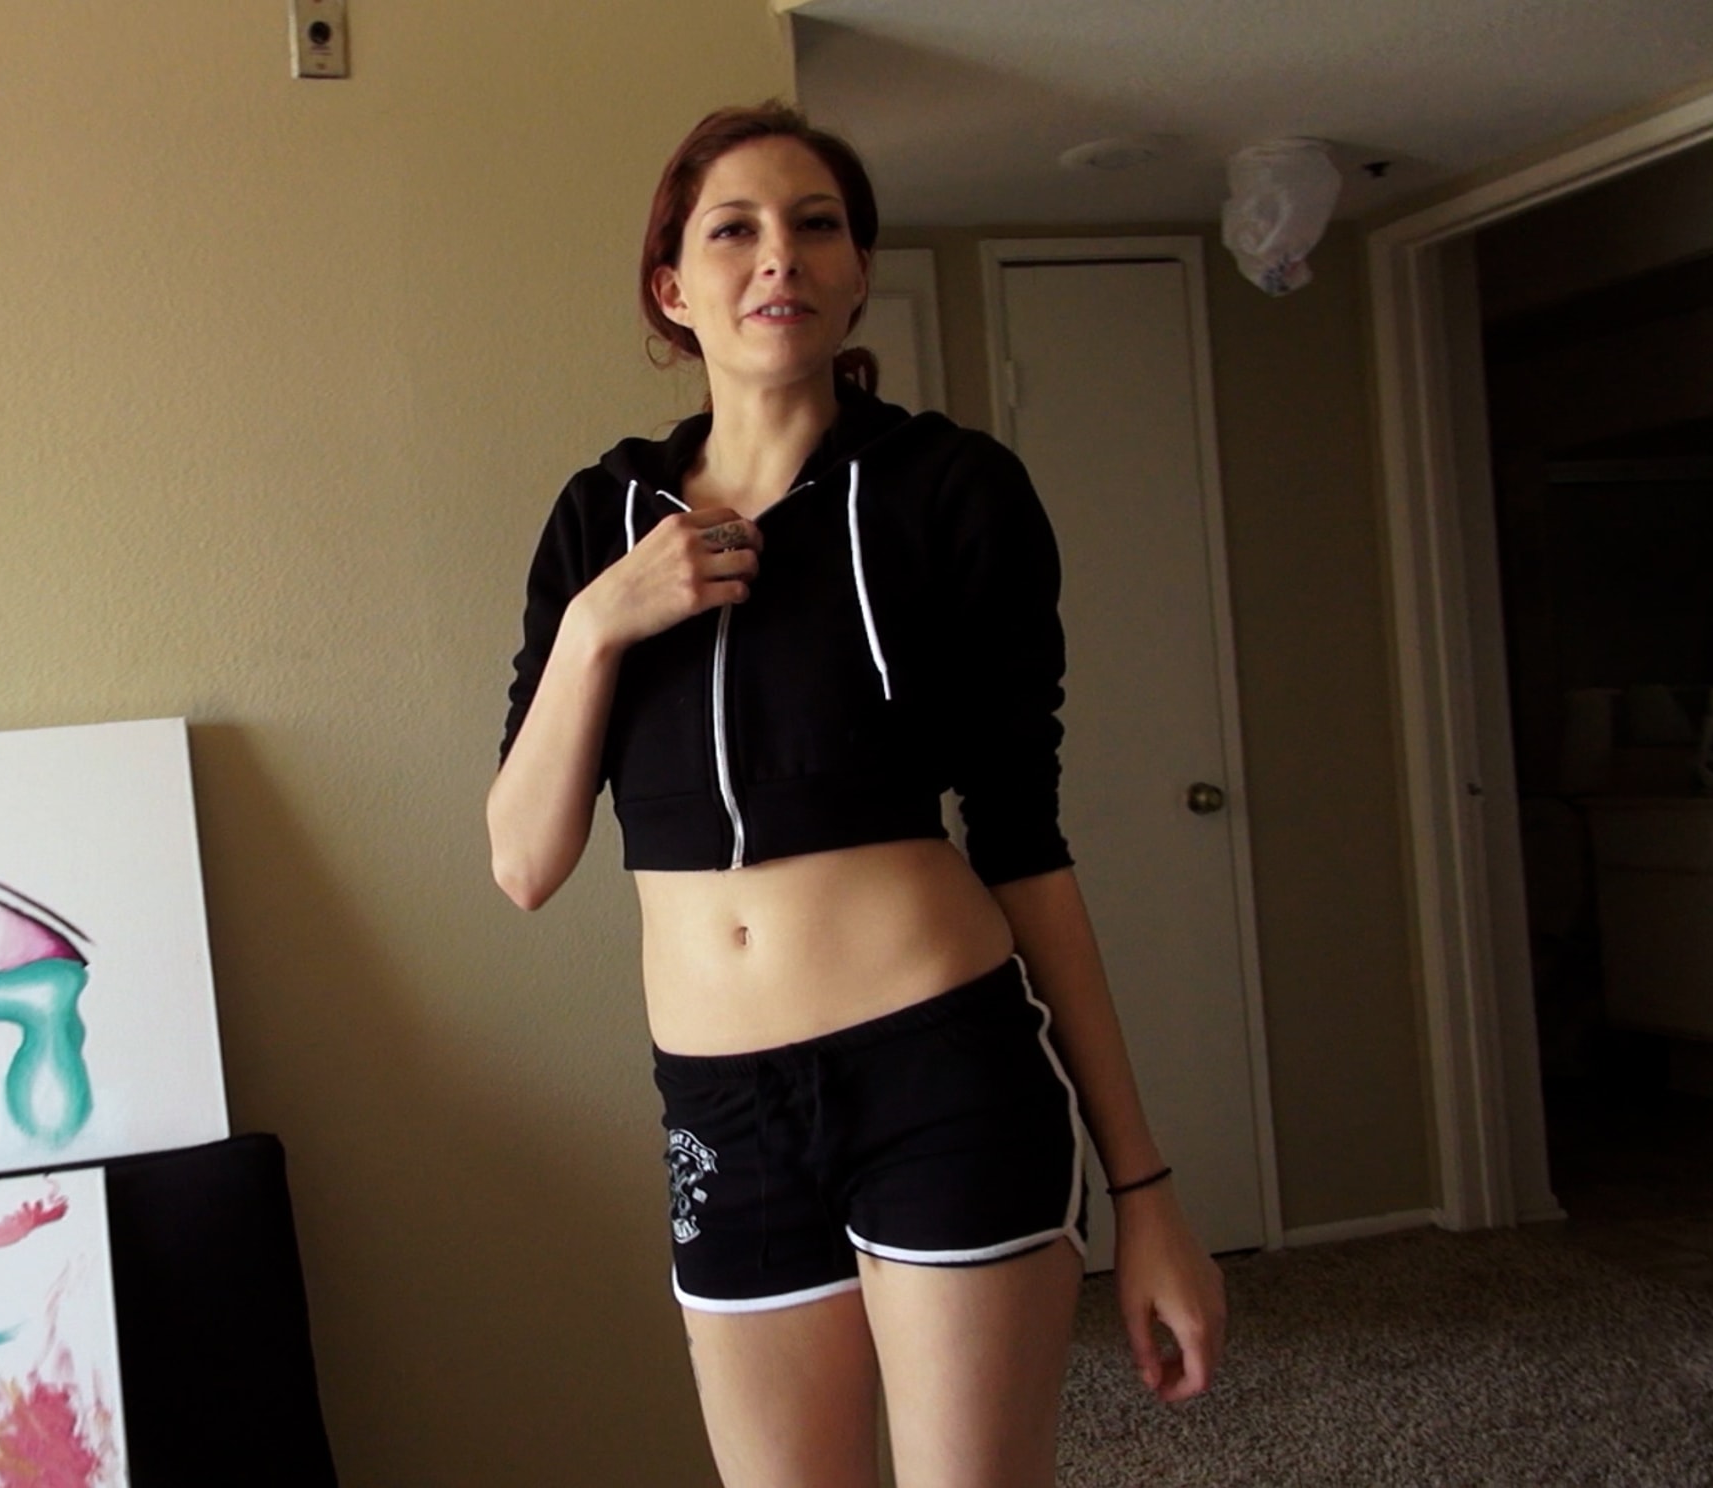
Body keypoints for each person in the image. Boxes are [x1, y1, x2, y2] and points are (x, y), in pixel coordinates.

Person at [486, 102, 1226, 1486]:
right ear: (672, 287)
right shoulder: (601, 520)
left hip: (939, 1073)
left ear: (857, 272)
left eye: (816, 224)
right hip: (722, 1109)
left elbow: (1024, 842)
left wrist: (1147, 1193)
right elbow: (524, 863)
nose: (781, 254)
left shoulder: (952, 492)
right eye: (735, 229)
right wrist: (600, 624)